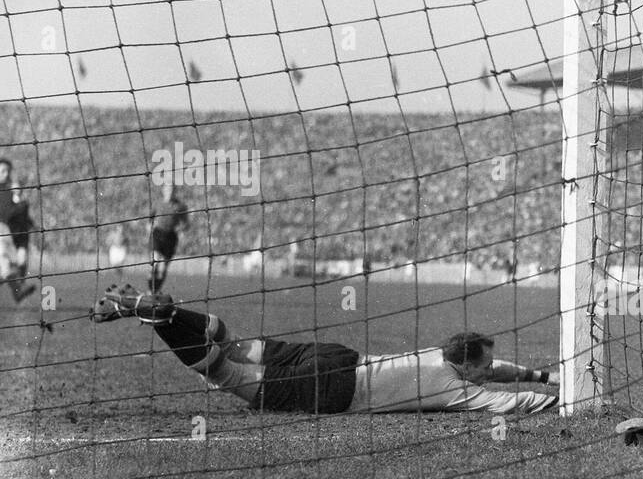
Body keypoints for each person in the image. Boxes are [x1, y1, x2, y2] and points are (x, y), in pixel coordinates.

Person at [90, 284, 559, 415]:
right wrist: (556, 397)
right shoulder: (456, 390)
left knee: (226, 339)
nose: (484, 375)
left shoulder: (441, 355)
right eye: (480, 370)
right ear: (466, 367)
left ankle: (156, 311)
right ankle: (158, 318)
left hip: (339, 355)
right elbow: (505, 399)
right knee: (222, 374)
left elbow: (491, 367)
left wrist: (539, 374)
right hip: (333, 388)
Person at [0, 158, 38, 303]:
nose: (5, 174)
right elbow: (7, 214)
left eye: (7, 171)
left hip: (17, 235)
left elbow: (22, 215)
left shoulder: (12, 193)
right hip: (3, 233)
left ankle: (18, 289)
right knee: (5, 263)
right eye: (2, 171)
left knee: (19, 264)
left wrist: (32, 225)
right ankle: (18, 290)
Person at [149, 180, 189, 292]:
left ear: (175, 191)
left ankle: (155, 290)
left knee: (163, 268)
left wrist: (180, 228)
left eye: (172, 189)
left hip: (170, 237)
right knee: (154, 262)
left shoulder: (180, 206)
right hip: (158, 234)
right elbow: (150, 217)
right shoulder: (157, 203)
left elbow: (186, 224)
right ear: (163, 190)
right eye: (167, 189)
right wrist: (149, 226)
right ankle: (150, 288)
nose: (170, 192)